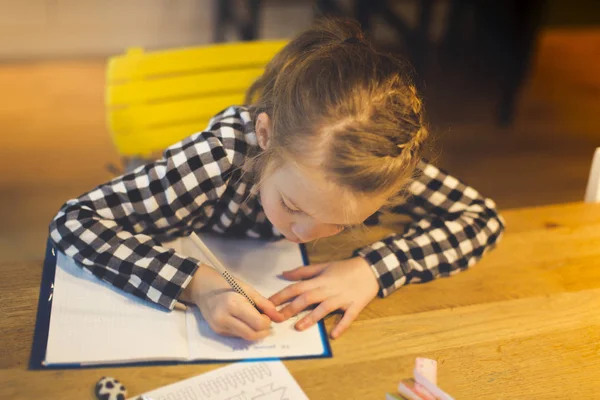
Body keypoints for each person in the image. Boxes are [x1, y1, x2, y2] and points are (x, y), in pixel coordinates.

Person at [49, 18, 504, 342]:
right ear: (265, 136)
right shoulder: (216, 159)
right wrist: (197, 284)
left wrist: (372, 268)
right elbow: (73, 222)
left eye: (342, 224)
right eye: (293, 206)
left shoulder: (377, 164)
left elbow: (481, 218)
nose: (302, 234)